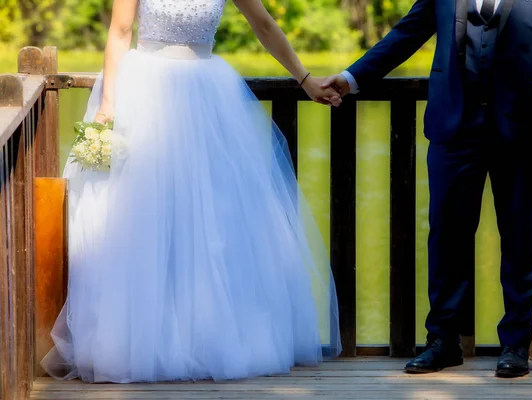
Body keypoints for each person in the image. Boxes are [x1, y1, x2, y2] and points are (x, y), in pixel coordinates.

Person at [41, 0, 342, 383]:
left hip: (208, 96)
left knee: (217, 223)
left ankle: (206, 338)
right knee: (142, 220)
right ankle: (143, 340)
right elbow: (119, 32)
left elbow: (264, 25)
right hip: (146, 93)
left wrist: (306, 79)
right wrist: (108, 105)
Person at [322, 0, 532, 377]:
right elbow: (406, 33)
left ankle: (514, 344)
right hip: (454, 127)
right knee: (446, 237)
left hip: (523, 127)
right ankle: (442, 341)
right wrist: (350, 79)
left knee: (519, 237)